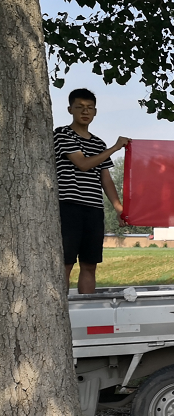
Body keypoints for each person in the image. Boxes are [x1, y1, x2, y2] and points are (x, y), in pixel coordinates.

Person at [53, 88, 130, 293]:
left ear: (95, 112)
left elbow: (106, 179)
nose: (85, 111)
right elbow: (83, 164)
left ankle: (86, 308)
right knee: (65, 263)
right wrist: (114, 148)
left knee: (89, 264)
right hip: (68, 206)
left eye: (89, 108)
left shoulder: (98, 143)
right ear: (70, 109)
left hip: (94, 209)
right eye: (79, 107)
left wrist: (119, 208)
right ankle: (61, 308)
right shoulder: (62, 134)